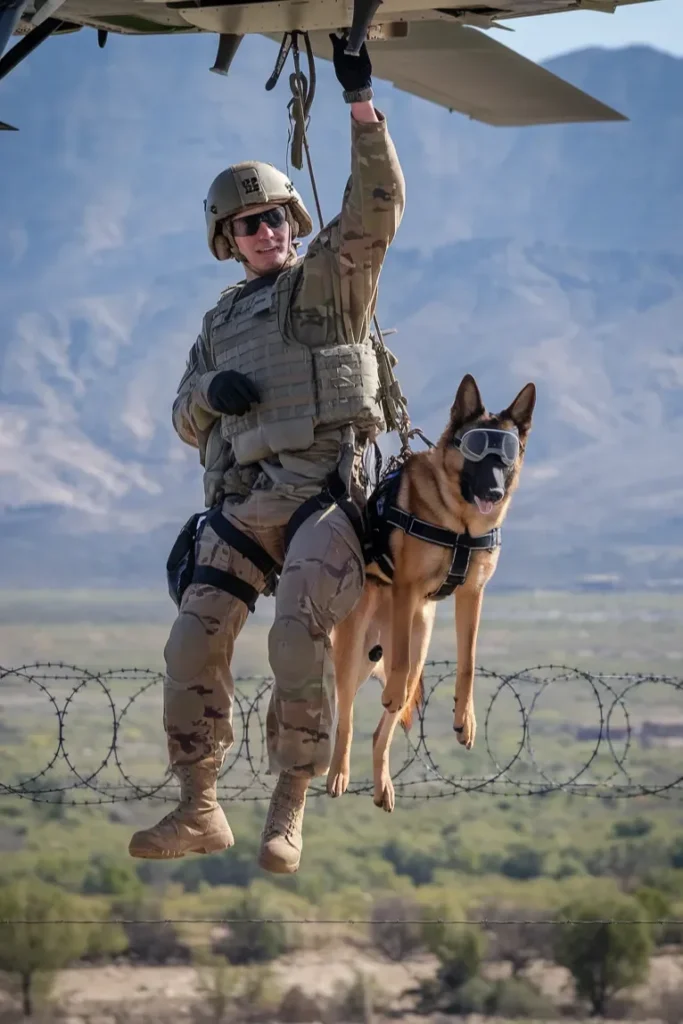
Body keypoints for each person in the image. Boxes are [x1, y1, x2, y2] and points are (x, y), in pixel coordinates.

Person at [128, 33, 405, 874]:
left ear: (294, 221)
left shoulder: (328, 281)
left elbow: (379, 203)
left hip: (322, 498)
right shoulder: (218, 325)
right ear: (227, 237)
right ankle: (199, 806)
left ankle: (288, 810)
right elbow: (183, 415)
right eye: (248, 223)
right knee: (188, 646)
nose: (266, 230)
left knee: (295, 641)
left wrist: (361, 105)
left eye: (277, 216)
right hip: (246, 505)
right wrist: (213, 397)